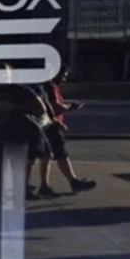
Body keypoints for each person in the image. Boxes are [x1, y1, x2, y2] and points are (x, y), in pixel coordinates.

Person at [0, 63, 52, 201]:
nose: (1, 76)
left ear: (10, 75)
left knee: (18, 165)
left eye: (4, 73)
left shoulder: (22, 91)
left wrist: (14, 107)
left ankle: (20, 191)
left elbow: (41, 109)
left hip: (17, 134)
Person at [36, 65, 97, 196]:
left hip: (49, 124)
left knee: (48, 155)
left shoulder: (49, 86)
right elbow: (53, 106)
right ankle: (72, 182)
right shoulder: (49, 87)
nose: (64, 79)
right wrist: (70, 107)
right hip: (51, 125)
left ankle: (45, 185)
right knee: (60, 154)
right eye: (63, 76)